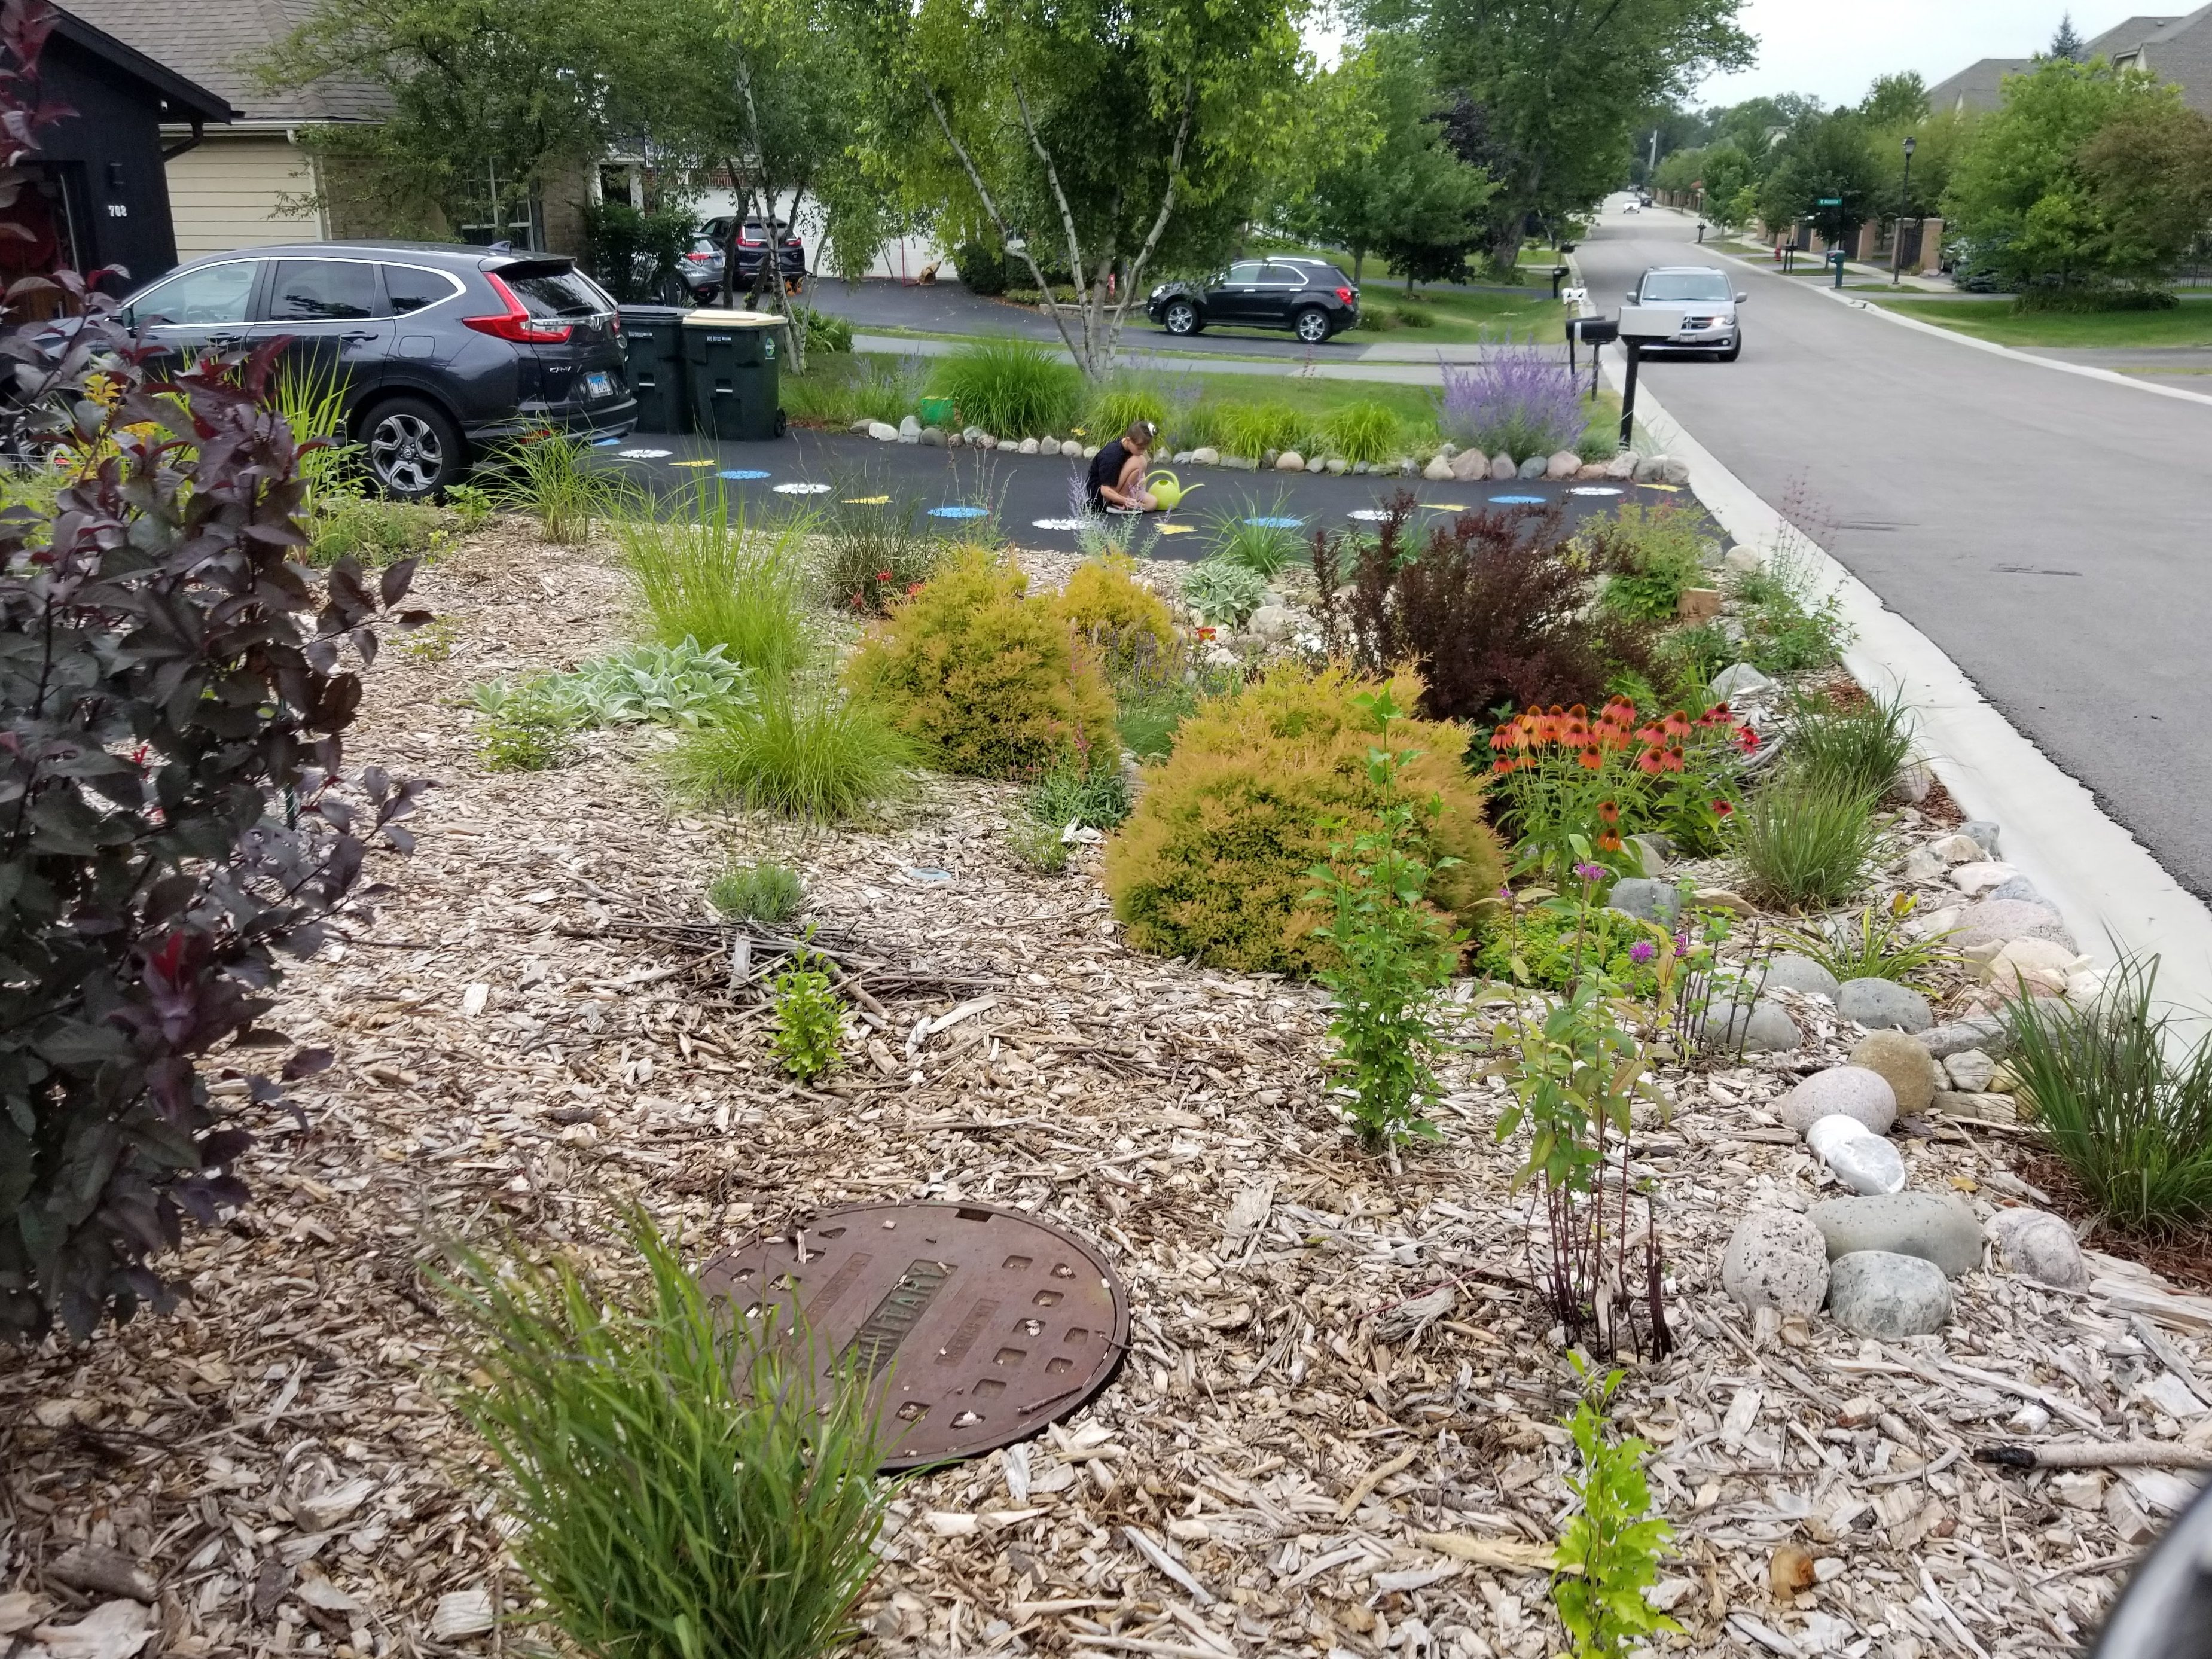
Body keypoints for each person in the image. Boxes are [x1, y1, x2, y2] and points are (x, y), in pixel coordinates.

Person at [1086, 419, 1157, 513]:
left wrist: (1142, 479)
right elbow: (1105, 490)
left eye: (1144, 449)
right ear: (1128, 440)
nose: (1142, 452)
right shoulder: (1112, 455)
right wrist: (1125, 500)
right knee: (1140, 461)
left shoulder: (1130, 448)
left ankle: (1125, 502)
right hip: (1102, 495)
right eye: (1139, 448)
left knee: (1152, 503)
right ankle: (1118, 503)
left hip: (1119, 488)